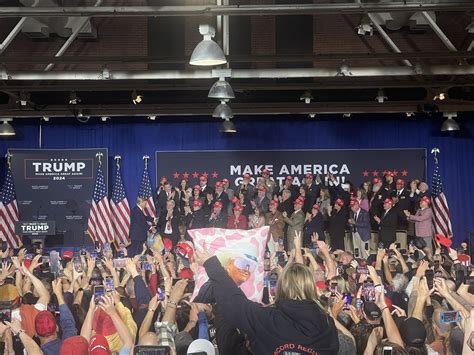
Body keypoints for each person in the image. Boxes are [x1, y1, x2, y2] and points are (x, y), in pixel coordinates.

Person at [194, 234, 339, 355]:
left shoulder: (268, 319)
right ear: (311, 287)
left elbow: (235, 303)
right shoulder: (327, 324)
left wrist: (211, 264)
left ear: (282, 286)